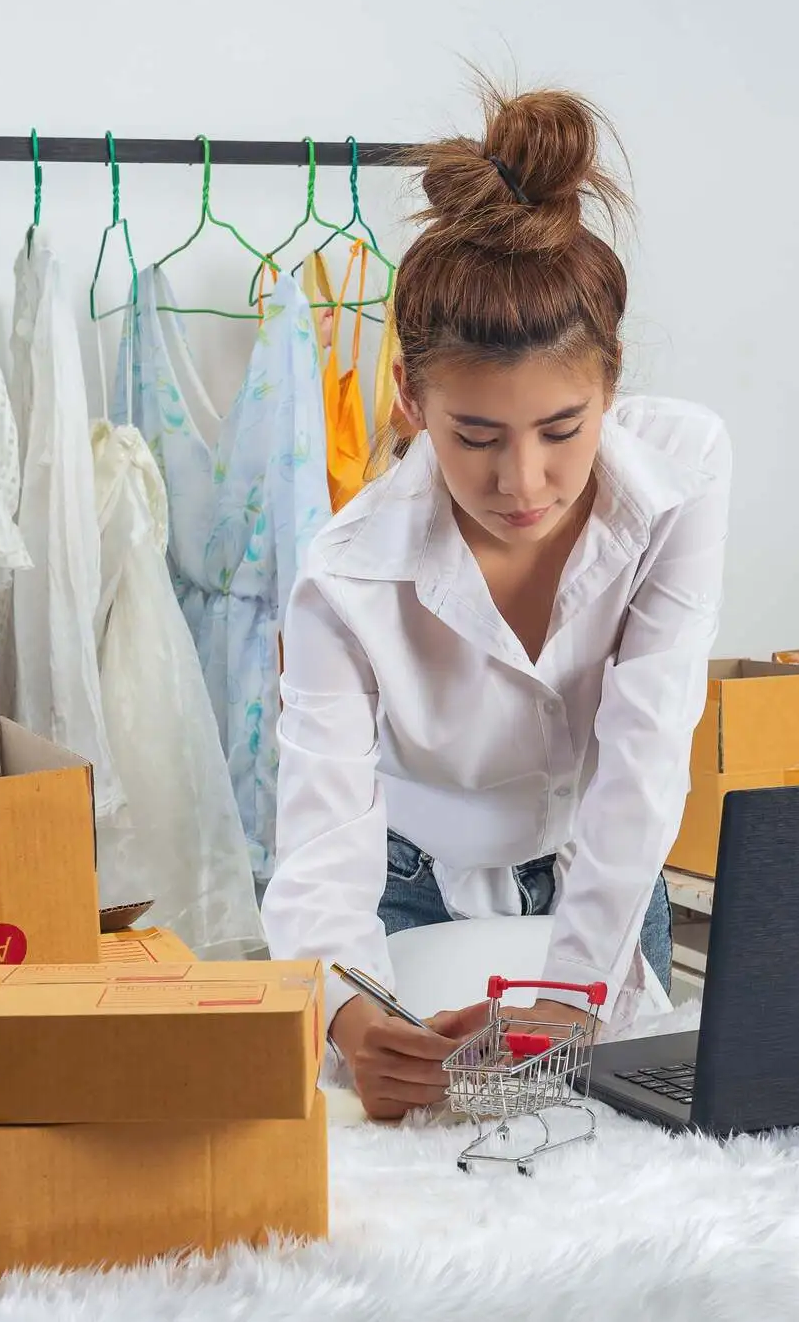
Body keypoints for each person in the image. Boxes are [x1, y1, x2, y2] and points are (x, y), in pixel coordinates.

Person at [262, 84, 732, 1121]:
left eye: (562, 429)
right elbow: (318, 834)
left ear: (610, 387)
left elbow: (645, 750)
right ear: (406, 395)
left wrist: (569, 998)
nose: (523, 480)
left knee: (617, 1159)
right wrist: (346, 1012)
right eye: (474, 436)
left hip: (598, 877)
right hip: (405, 889)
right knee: (425, 1156)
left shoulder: (683, 469)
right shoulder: (342, 574)